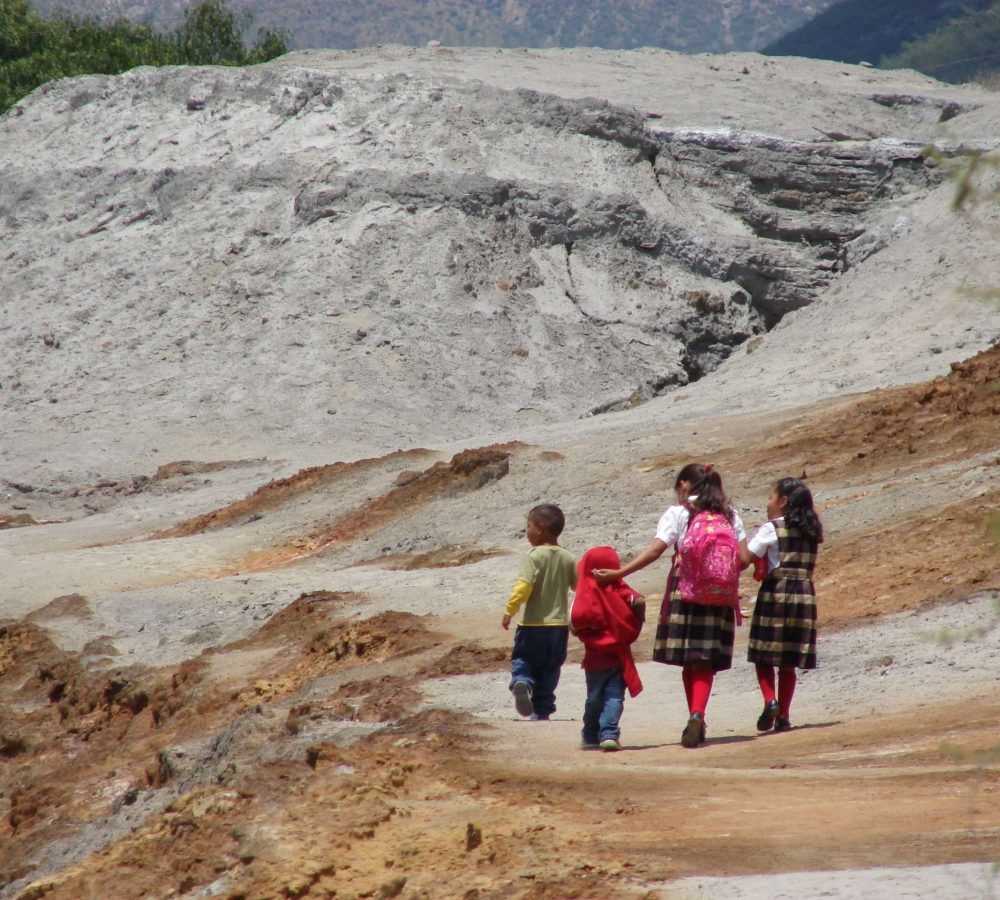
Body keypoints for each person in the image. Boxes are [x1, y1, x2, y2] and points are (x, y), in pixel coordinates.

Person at [594, 463, 747, 748]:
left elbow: (656, 549)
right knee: (704, 659)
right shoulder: (730, 515)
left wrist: (619, 573)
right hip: (719, 594)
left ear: (684, 486)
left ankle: (696, 716)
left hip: (685, 587)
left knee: (690, 657)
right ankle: (697, 714)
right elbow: (744, 558)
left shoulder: (678, 513)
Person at [741, 477, 823, 733]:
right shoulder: (812, 529)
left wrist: (737, 536)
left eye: (770, 497)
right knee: (788, 658)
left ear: (783, 502)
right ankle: (784, 716)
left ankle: (770, 701)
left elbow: (745, 558)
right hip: (804, 593)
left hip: (777, 591)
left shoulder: (772, 528)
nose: (767, 503)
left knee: (763, 653)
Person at [502, 503, 577, 720]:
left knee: (523, 659)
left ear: (540, 528)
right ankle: (542, 710)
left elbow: (523, 587)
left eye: (528, 526)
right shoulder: (569, 557)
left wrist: (510, 610)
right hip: (559, 627)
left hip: (532, 625)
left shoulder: (534, 556)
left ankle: (522, 682)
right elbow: (579, 588)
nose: (526, 532)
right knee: (550, 668)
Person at [571, 547, 645, 752]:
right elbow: (638, 601)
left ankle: (590, 735)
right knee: (614, 697)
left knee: (594, 698)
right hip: (619, 659)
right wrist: (635, 623)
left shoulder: (586, 594)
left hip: (595, 661)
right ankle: (609, 734)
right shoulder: (621, 589)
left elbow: (576, 621)